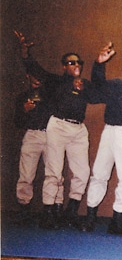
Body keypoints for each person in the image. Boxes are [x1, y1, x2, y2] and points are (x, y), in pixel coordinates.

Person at [15, 30, 100, 230]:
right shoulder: (55, 81)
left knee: (83, 172)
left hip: (78, 130)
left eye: (79, 62)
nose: (76, 65)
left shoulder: (84, 85)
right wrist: (25, 53)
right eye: (71, 63)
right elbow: (35, 69)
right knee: (53, 171)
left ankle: (71, 211)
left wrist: (85, 86)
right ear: (64, 67)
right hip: (58, 126)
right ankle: (48, 213)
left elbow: (97, 94)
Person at [79, 44, 122, 236]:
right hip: (113, 131)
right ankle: (91, 217)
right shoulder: (118, 85)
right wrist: (99, 64)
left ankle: (117, 220)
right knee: (100, 173)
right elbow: (98, 85)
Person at [14, 71, 63, 225]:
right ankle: (24, 209)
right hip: (32, 135)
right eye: (34, 76)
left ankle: (55, 209)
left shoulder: (52, 94)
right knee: (26, 174)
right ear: (28, 76)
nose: (37, 80)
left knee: (55, 173)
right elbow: (18, 122)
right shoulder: (22, 97)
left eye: (40, 77)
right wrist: (25, 110)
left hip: (51, 135)